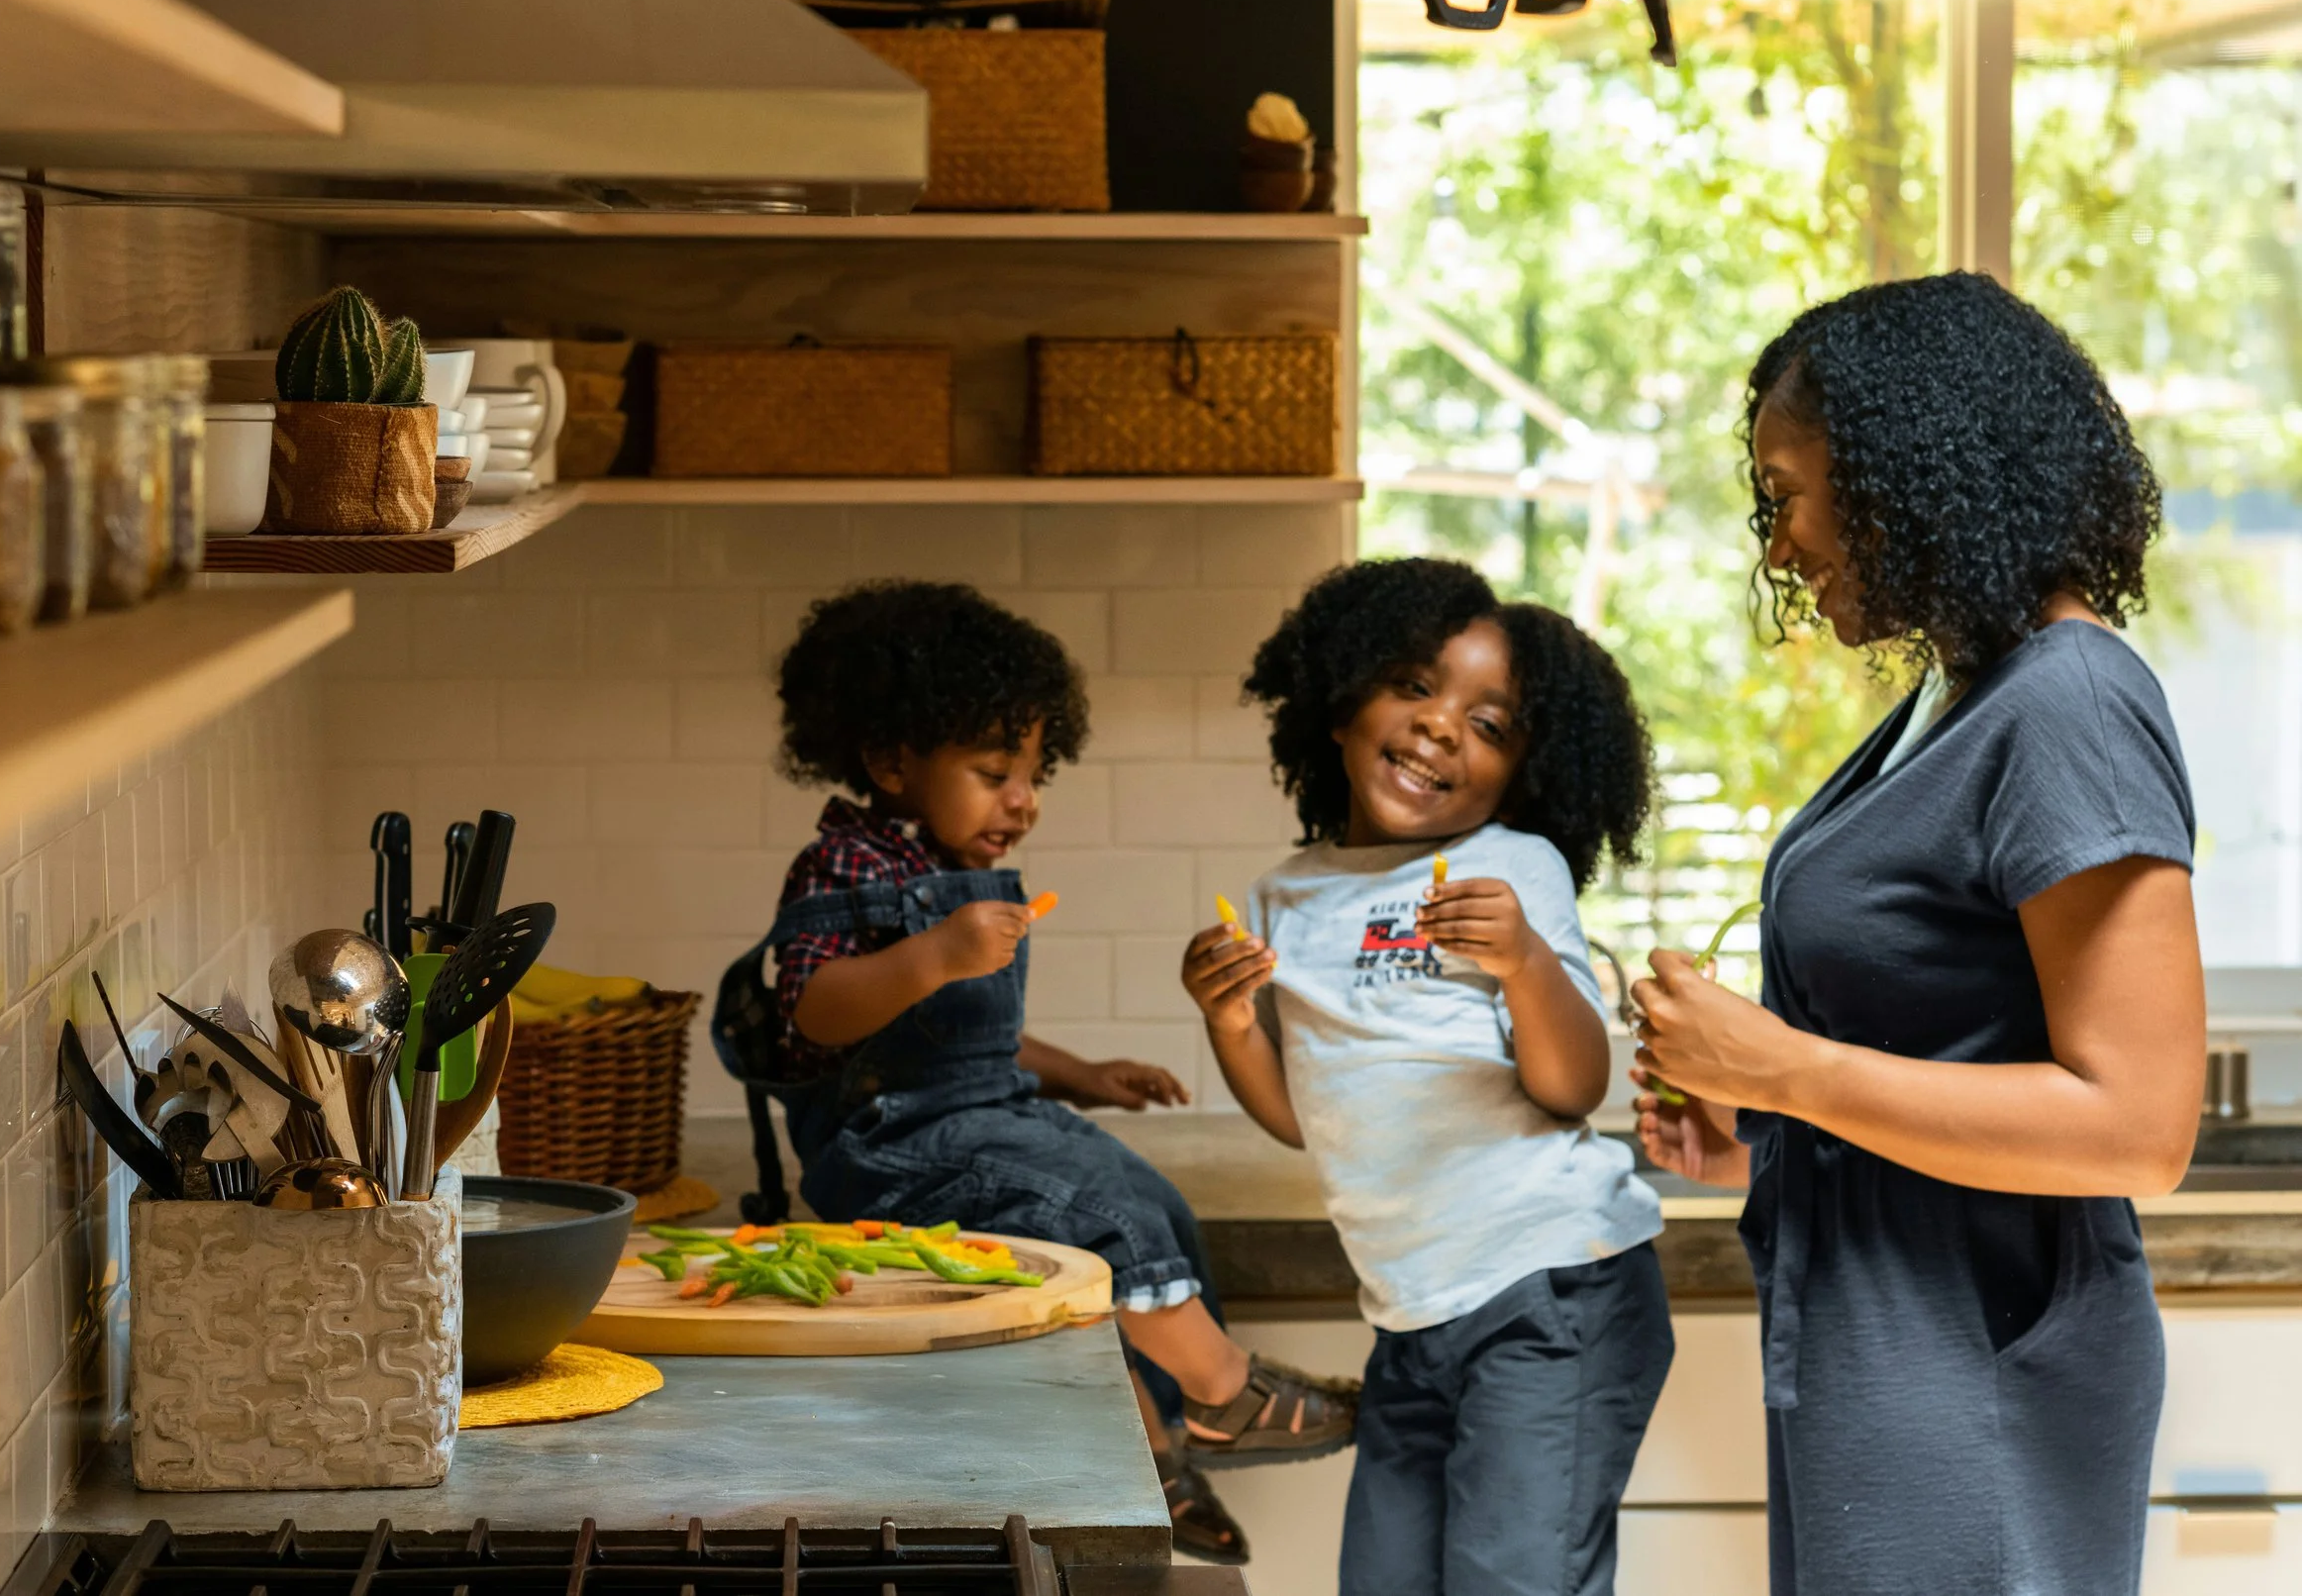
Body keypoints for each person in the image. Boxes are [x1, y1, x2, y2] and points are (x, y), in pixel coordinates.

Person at [1629, 272, 2206, 1596]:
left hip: (1978, 1370)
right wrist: (1760, 1130)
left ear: (1903, 472)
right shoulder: (1960, 687)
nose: (1778, 542)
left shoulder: (2068, 701)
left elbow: (2140, 1125)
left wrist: (1782, 1072)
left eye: (1788, 494)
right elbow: (1948, 1042)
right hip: (1882, 1350)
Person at [711, 579, 1353, 1566]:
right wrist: (932, 954)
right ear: (891, 760)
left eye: (1033, 770)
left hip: (984, 1112)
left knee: (1148, 1199)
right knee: (1097, 1210)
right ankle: (1228, 1393)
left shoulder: (949, 863)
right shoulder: (843, 865)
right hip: (886, 1144)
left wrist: (1083, 1072)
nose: (1024, 797)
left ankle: (1152, 1447)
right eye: (992, 769)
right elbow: (816, 1010)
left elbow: (968, 1040)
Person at [1182, 557, 1671, 1596]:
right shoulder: (1287, 895)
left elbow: (1575, 1084)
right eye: (1411, 684)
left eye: (1489, 723)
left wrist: (1525, 963)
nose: (1442, 726)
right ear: (1339, 701)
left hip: (1551, 1291)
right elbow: (1299, 1112)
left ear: (1525, 768)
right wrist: (1229, 1019)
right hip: (1409, 1315)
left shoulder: (1512, 867)